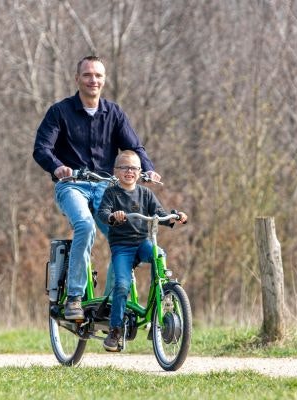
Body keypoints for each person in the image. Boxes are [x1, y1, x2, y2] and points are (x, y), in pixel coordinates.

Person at [33, 56, 161, 320]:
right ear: (77, 78)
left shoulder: (113, 113)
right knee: (85, 225)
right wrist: (58, 167)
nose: (93, 80)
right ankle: (75, 297)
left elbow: (134, 148)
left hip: (105, 187)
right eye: (88, 75)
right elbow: (41, 149)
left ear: (104, 80)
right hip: (72, 186)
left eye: (98, 76)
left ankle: (115, 297)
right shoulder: (60, 112)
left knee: (124, 231)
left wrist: (146, 168)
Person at [97, 150, 187, 351]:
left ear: (140, 172)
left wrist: (175, 216)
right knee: (121, 284)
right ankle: (115, 330)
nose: (130, 171)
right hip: (122, 247)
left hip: (142, 242)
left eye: (134, 168)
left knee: (159, 255)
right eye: (125, 167)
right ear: (116, 171)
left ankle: (160, 301)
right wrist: (113, 216)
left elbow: (161, 214)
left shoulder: (145, 193)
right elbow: (103, 213)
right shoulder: (111, 193)